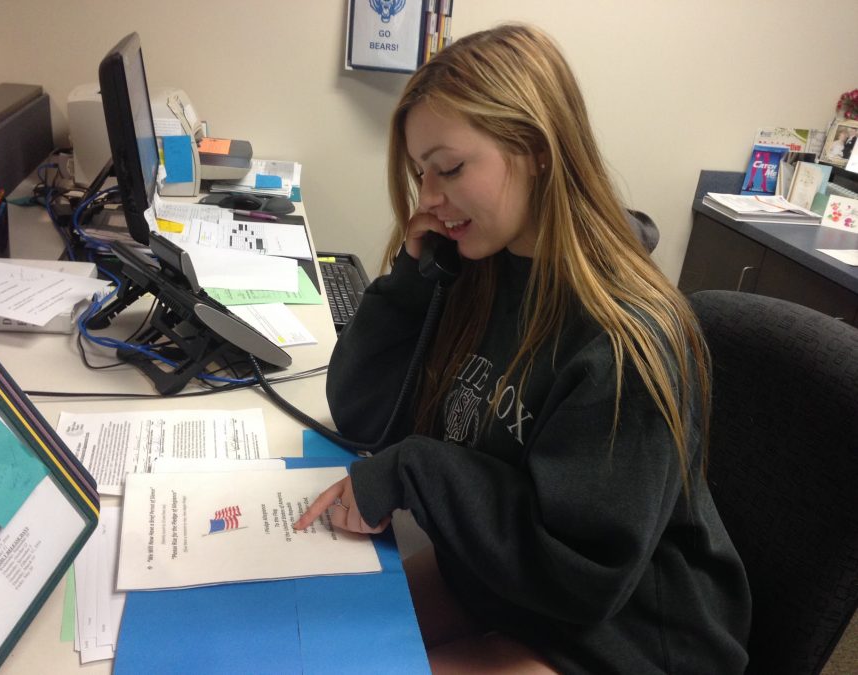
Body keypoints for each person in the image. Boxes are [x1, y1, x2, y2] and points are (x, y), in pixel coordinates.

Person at [294, 23, 751, 674]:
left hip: (622, 627)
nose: (428, 198)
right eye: (423, 172)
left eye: (449, 168)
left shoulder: (621, 339)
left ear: (536, 147)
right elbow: (364, 412)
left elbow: (583, 574)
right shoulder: (484, 270)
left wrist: (416, 470)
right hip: (508, 573)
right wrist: (414, 277)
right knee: (315, 643)